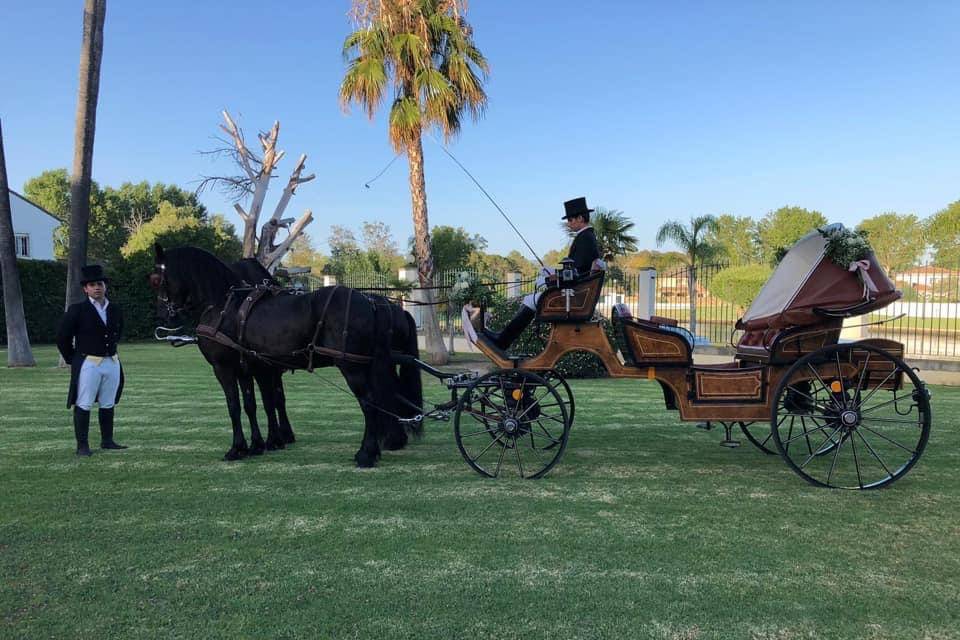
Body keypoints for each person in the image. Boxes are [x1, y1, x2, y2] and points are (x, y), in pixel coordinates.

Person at [483, 197, 601, 350]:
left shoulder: (585, 238)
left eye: (571, 219)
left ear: (580, 218)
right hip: (577, 293)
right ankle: (503, 339)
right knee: (531, 298)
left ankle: (503, 340)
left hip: (574, 297)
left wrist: (553, 277)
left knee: (531, 299)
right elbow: (576, 269)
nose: (569, 223)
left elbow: (575, 273)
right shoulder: (586, 237)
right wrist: (552, 273)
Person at [56, 264, 126, 456]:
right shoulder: (77, 310)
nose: (97, 287)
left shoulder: (115, 309)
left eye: (100, 284)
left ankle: (107, 441)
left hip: (111, 361)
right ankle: (83, 446)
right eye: (92, 285)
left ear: (106, 286)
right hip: (88, 362)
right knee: (84, 402)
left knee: (108, 402)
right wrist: (73, 358)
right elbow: (62, 337)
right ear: (85, 289)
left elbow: (118, 332)